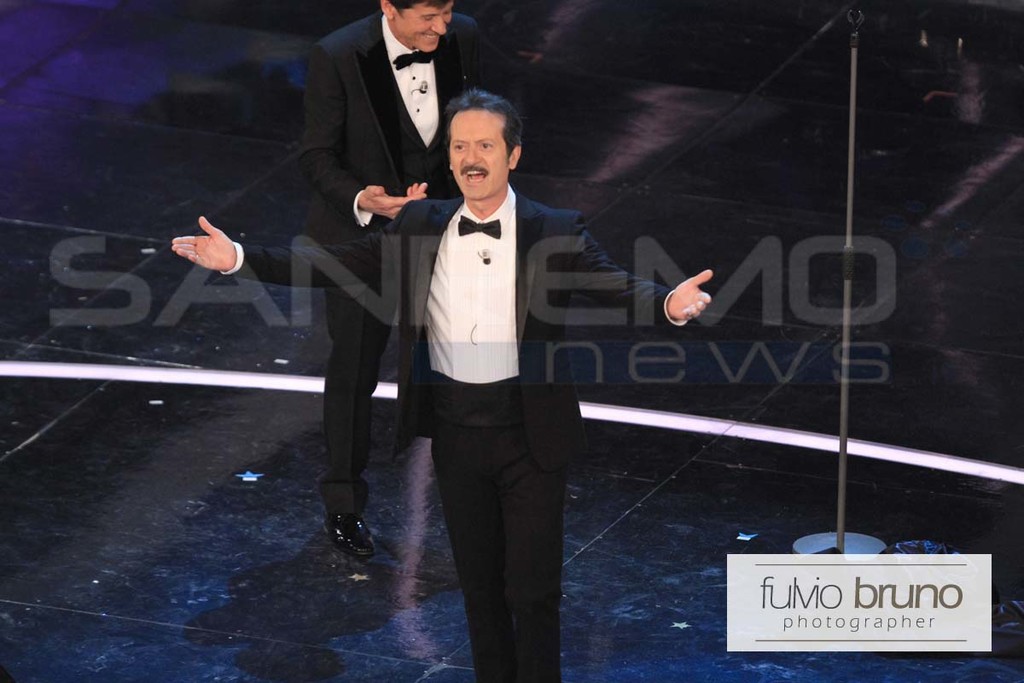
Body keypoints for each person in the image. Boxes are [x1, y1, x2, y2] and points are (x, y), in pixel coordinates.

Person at [173, 88, 713, 683]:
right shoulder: (418, 224)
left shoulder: (553, 229)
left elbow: (612, 283)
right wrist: (237, 258)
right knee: (480, 591)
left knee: (532, 592)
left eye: (485, 146)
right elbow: (333, 264)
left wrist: (669, 303)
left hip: (530, 434)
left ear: (513, 156)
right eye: (459, 147)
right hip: (455, 432)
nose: (470, 159)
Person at [299, 0, 480, 557]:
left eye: (447, 12)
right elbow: (317, 154)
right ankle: (344, 503)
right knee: (354, 371)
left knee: (463, 369)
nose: (441, 27)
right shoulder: (338, 55)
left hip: (443, 233)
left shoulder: (464, 37)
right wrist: (364, 198)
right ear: (388, 8)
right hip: (362, 238)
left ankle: (475, 501)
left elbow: (478, 127)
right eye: (428, 17)